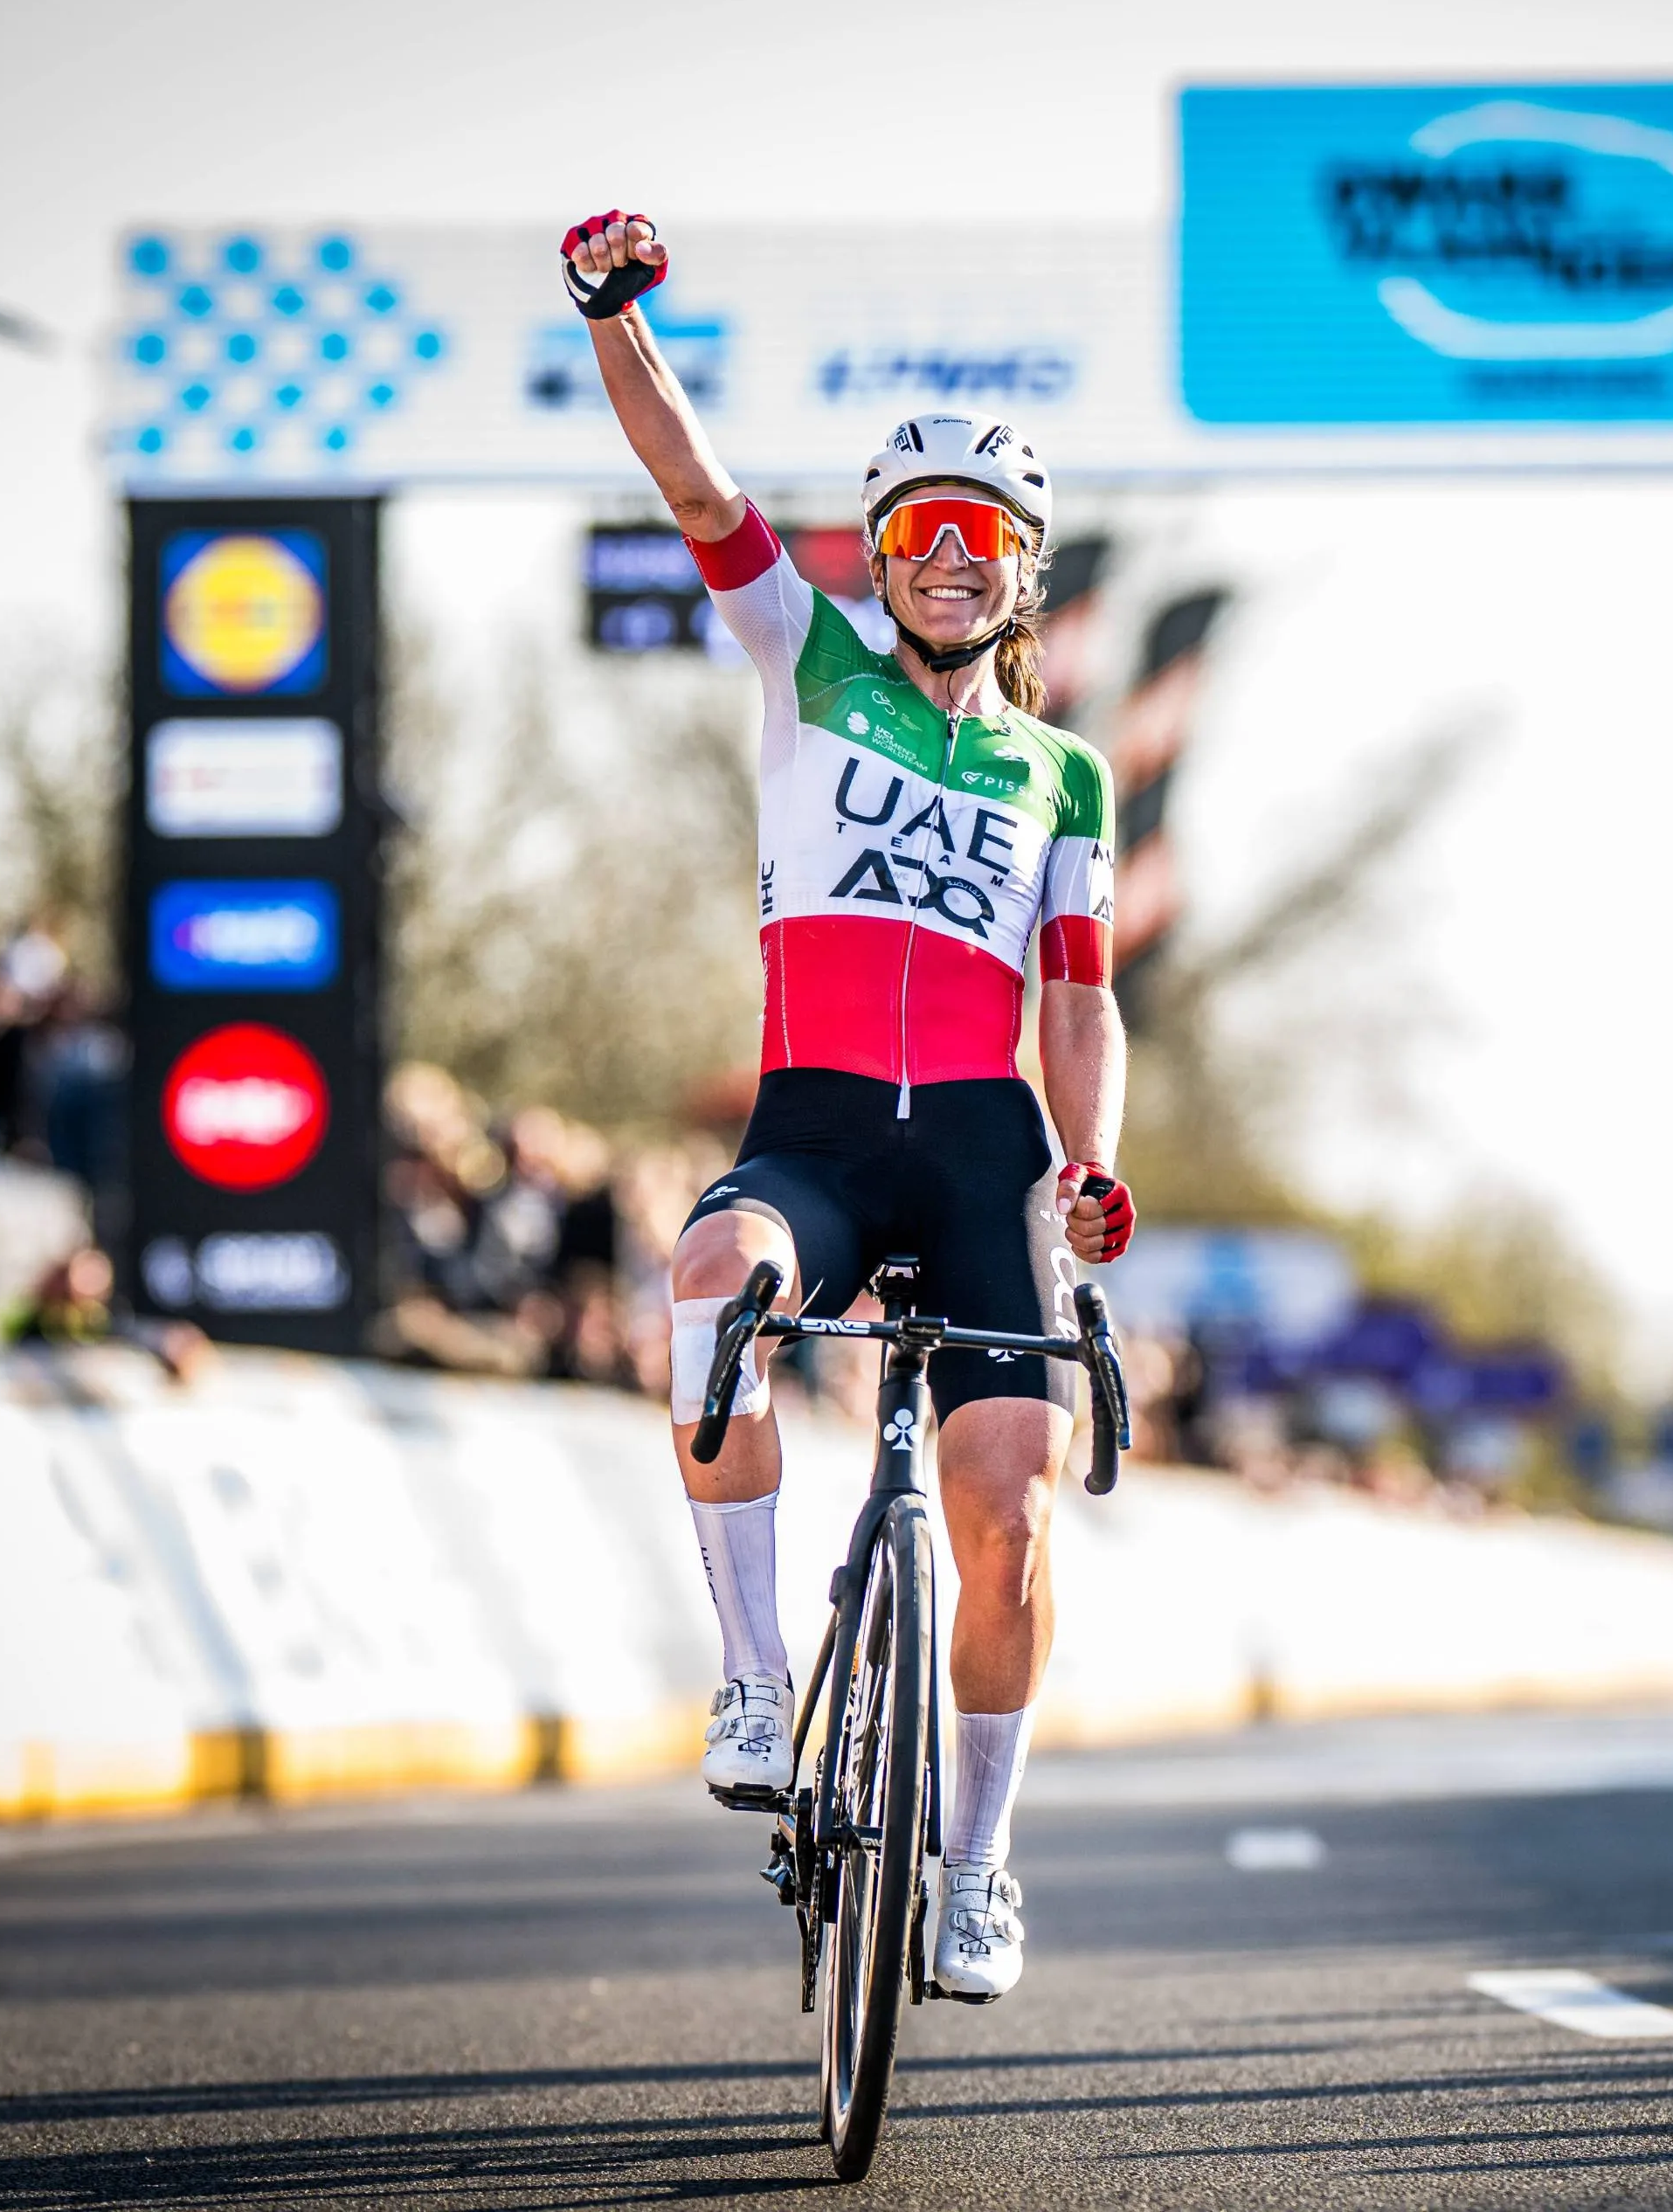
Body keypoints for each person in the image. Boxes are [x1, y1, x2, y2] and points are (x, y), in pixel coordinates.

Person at [567, 208, 1136, 2004]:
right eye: (916, 533)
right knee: (707, 1282)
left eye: (984, 537)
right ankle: (751, 1674)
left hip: (980, 1148)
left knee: (1010, 1510)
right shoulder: (805, 658)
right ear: (879, 558)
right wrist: (614, 317)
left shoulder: (1066, 775)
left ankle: (979, 1866)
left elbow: (1079, 996)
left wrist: (1094, 1166)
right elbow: (693, 480)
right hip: (814, 1123)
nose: (949, 559)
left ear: (1024, 574)